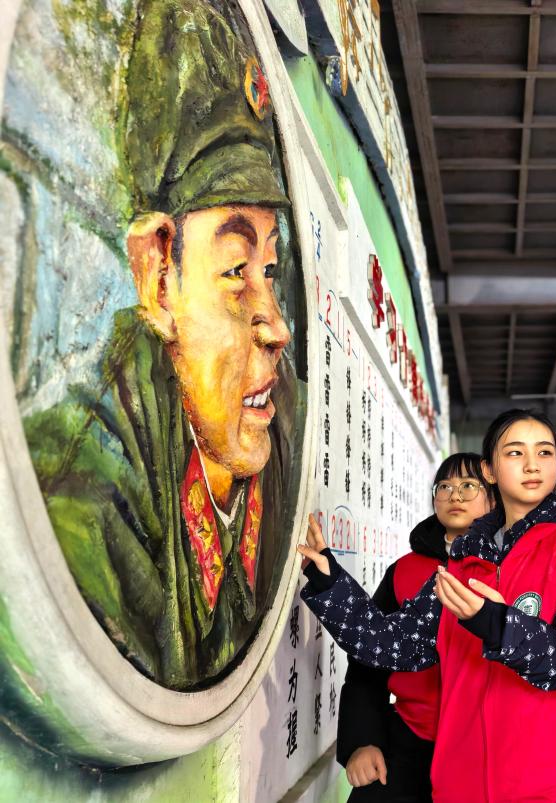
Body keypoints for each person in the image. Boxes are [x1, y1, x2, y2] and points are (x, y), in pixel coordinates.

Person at [20, 0, 304, 689]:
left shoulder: (281, 410)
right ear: (157, 279)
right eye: (235, 273)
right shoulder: (88, 488)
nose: (276, 327)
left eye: (270, 271)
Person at [298, 409, 556, 802]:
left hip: (544, 785)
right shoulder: (465, 559)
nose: (532, 465)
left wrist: (497, 622)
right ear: (490, 470)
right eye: (515, 453)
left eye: (545, 452)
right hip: (457, 784)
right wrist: (330, 581)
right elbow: (397, 644)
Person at [337, 452, 492, 801]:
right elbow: (367, 663)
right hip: (408, 737)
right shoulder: (405, 570)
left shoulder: (509, 566)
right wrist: (363, 741)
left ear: (493, 498)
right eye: (445, 487)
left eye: (469, 486)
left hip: (485, 748)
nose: (455, 495)